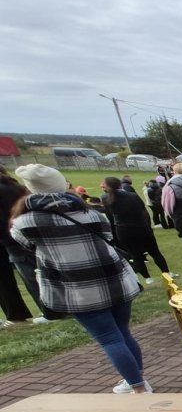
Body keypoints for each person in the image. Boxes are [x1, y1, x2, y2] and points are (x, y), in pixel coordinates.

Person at [12, 165, 150, 392]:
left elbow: (25, 245)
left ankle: (138, 386)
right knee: (122, 332)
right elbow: (107, 234)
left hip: (78, 288)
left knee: (110, 338)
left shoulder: (27, 222)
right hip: (114, 278)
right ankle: (136, 378)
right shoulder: (90, 213)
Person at [102, 176, 171, 286]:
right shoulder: (131, 196)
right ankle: (166, 272)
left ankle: (148, 278)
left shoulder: (106, 198)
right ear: (120, 185)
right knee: (154, 251)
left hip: (123, 230)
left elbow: (110, 214)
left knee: (135, 255)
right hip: (140, 227)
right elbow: (141, 208)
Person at [0, 166, 39, 325]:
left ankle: (17, 314)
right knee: (36, 270)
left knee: (18, 276)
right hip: (26, 232)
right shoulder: (15, 186)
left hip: (8, 236)